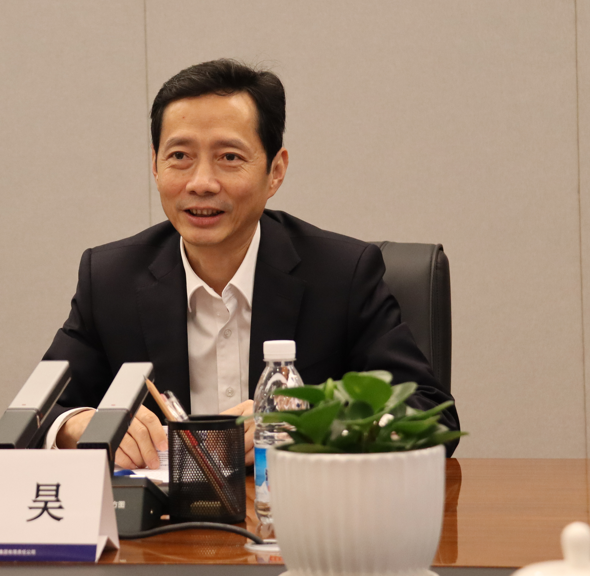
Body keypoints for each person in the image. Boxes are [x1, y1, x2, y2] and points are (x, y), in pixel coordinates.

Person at [42, 59, 459, 467]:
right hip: (163, 512)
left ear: (275, 171)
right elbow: (39, 412)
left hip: (296, 508)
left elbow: (431, 415)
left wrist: (310, 425)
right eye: (180, 156)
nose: (201, 183)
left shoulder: (341, 275)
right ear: (155, 165)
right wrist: (75, 426)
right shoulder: (110, 279)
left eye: (229, 157)